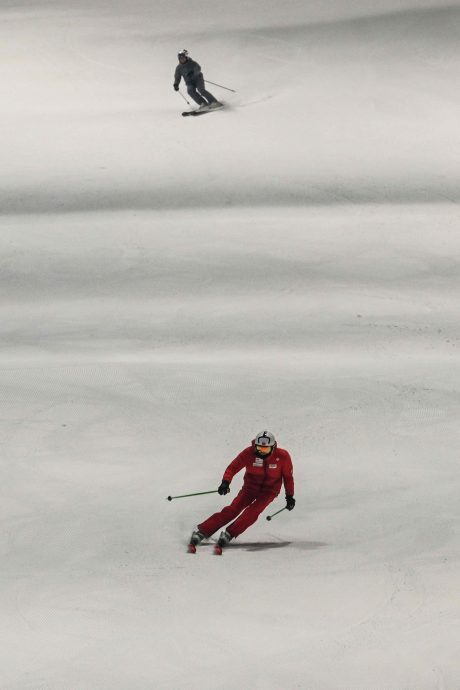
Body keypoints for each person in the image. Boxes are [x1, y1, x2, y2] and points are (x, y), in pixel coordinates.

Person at [190, 431, 295, 550]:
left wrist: (289, 496)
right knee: (233, 510)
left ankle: (230, 533)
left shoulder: (283, 456)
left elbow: (288, 477)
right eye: (259, 448)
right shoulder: (248, 453)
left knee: (253, 512)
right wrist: (225, 482)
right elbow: (232, 467)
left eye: (265, 450)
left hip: (270, 491)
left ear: (273, 447)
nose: (261, 452)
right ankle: (203, 531)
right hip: (250, 488)